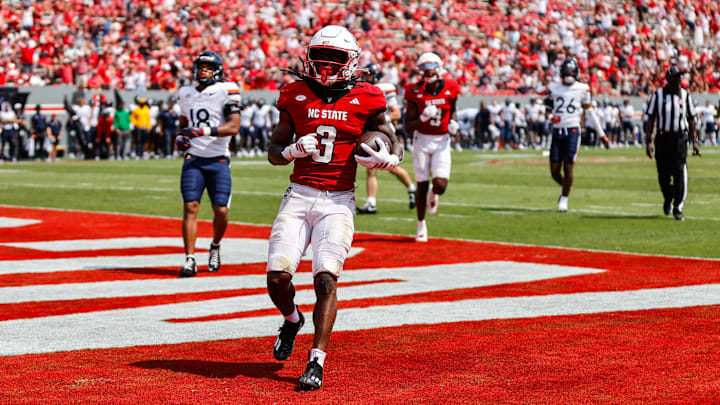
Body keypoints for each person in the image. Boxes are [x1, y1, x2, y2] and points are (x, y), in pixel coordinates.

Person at [266, 25, 402, 390]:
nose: (326, 65)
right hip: (298, 194)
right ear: (308, 58)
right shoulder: (293, 92)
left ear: (351, 61)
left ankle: (316, 361)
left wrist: (389, 156)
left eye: (335, 58)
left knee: (326, 278)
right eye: (320, 57)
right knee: (277, 278)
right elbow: (274, 152)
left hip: (338, 200)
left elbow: (392, 138)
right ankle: (293, 319)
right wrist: (293, 151)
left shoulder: (368, 96)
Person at [175, 51, 242, 276]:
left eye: (209, 66)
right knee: (190, 207)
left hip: (219, 159)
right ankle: (190, 259)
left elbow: (233, 126)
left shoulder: (227, 89)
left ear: (218, 70)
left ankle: (215, 246)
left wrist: (202, 131)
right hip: (194, 158)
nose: (204, 70)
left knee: (221, 210)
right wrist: (180, 136)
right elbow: (183, 122)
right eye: (201, 66)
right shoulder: (185, 93)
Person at [403, 52, 460, 242]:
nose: (427, 72)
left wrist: (454, 125)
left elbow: (453, 112)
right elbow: (408, 127)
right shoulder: (414, 90)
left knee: (441, 185)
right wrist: (423, 118)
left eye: (430, 67)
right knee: (421, 183)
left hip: (442, 140)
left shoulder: (452, 87)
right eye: (424, 68)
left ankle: (434, 194)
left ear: (439, 67)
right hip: (422, 139)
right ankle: (421, 224)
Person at [544, 57, 606, 212]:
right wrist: (550, 116)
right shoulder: (553, 87)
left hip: (572, 129)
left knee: (569, 165)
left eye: (571, 72)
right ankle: (567, 187)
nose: (568, 75)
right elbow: (548, 108)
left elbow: (589, 112)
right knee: (554, 171)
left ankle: (564, 198)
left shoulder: (582, 88)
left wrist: (601, 133)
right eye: (566, 72)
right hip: (557, 130)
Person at [356, 62, 416, 214]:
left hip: (383, 132)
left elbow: (397, 113)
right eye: (364, 74)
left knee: (387, 166)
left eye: (368, 74)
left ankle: (410, 189)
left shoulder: (383, 89)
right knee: (375, 168)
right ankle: (372, 202)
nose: (365, 77)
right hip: (370, 132)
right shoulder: (362, 89)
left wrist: (382, 121)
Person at [644, 65, 700, 221]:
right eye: (676, 78)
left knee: (680, 172)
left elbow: (691, 119)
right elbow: (651, 118)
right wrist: (648, 141)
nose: (679, 80)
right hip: (662, 138)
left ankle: (678, 207)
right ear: (668, 79)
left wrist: (695, 141)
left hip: (679, 139)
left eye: (680, 77)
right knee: (663, 174)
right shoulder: (658, 95)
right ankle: (668, 197)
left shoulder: (685, 95)